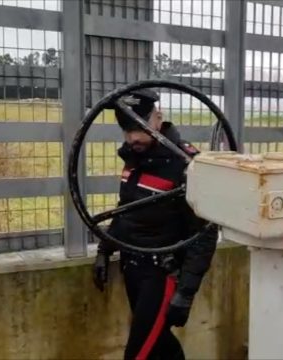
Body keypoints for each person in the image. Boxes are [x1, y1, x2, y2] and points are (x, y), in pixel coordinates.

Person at [92, 89, 218, 360]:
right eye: (125, 130)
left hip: (161, 275)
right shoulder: (133, 159)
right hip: (132, 268)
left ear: (158, 118)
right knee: (159, 344)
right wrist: (104, 250)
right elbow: (126, 212)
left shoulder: (186, 165)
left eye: (138, 128)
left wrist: (186, 292)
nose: (132, 138)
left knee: (139, 353)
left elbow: (205, 234)